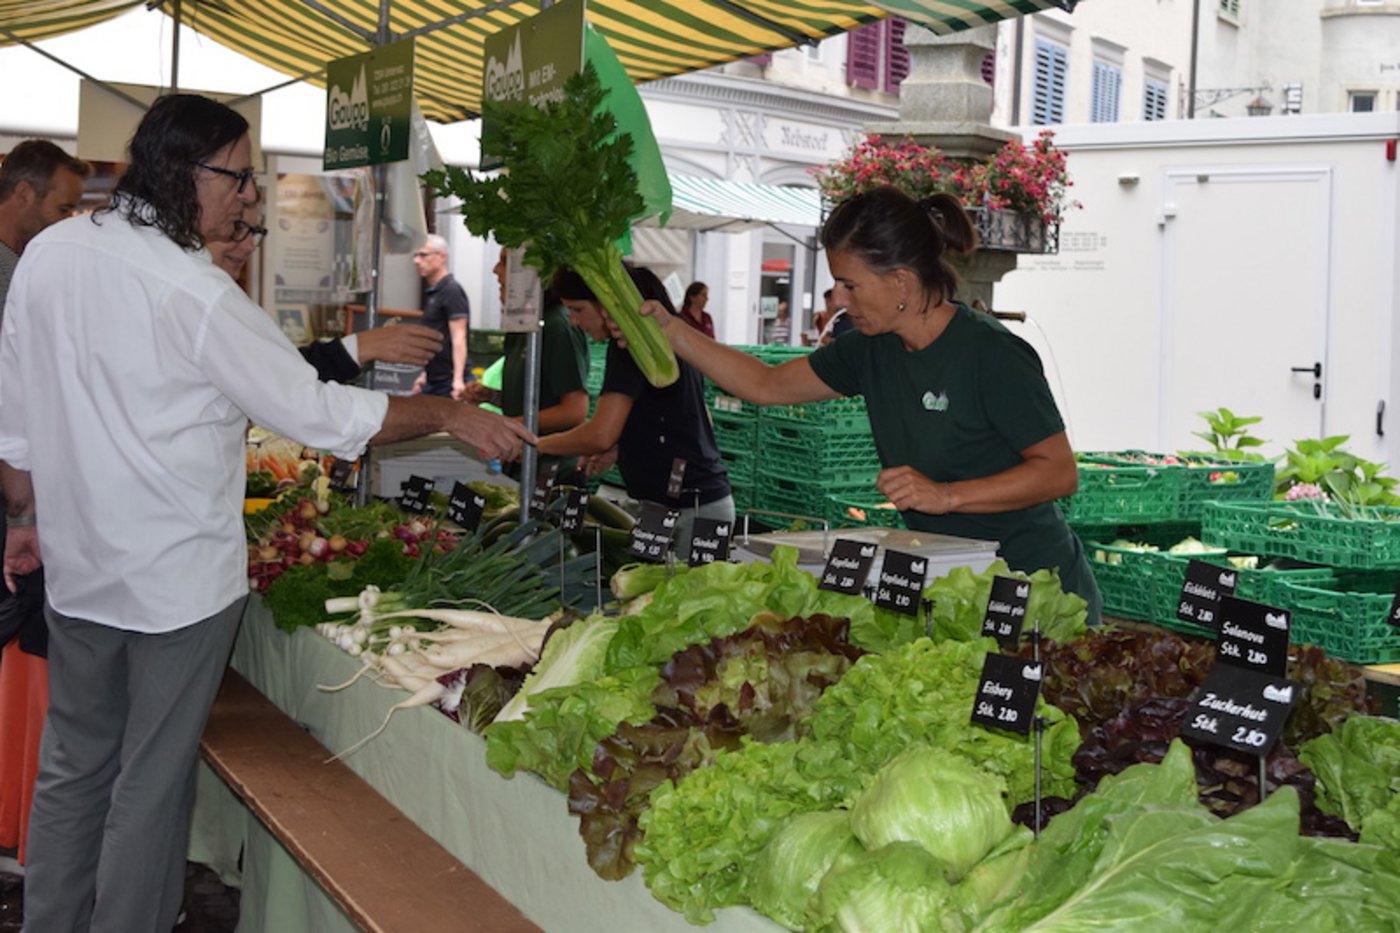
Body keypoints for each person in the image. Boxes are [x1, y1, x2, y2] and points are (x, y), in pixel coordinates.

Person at [0, 94, 532, 933]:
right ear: (188, 171)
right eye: (240, 179)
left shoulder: (54, 253)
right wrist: (446, 416)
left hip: (78, 567)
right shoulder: (194, 291)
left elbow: (17, 408)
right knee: (150, 779)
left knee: (74, 765)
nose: (248, 197)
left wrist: (23, 514)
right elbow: (319, 414)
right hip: (174, 584)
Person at [633, 186, 1101, 622]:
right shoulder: (871, 348)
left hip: (1035, 588)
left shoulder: (991, 354)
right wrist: (670, 330)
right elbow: (766, 383)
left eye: (850, 285)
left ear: (900, 282)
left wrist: (947, 495)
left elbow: (1059, 471)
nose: (840, 298)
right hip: (952, 583)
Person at [0, 139, 90, 869]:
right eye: (62, 207)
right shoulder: (11, 277)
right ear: (22, 195)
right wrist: (24, 512)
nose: (66, 223)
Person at [539, 264, 733, 559]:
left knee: (677, 600)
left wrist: (534, 444)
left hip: (690, 509)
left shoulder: (633, 348)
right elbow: (681, 415)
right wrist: (624, 444)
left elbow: (600, 434)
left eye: (578, 309)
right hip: (677, 505)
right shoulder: (659, 343)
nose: (575, 321)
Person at [209, 206, 445, 383]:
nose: (249, 245)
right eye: (236, 229)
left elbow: (277, 371)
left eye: (255, 232)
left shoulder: (224, 301)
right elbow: (272, 377)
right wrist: (360, 347)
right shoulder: (204, 305)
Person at [462, 248, 590, 480]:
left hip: (552, 471)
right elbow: (536, 398)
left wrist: (509, 425)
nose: (495, 271)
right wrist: (493, 397)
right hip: (520, 464)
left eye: (504, 263)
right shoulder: (522, 327)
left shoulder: (557, 326)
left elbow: (574, 410)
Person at [411, 233, 471, 398]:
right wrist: (425, 374)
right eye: (415, 255)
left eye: (423, 255)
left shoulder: (451, 290)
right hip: (434, 379)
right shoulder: (434, 292)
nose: (417, 261)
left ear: (442, 257)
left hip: (448, 381)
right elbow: (437, 335)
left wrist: (457, 380)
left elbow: (459, 337)